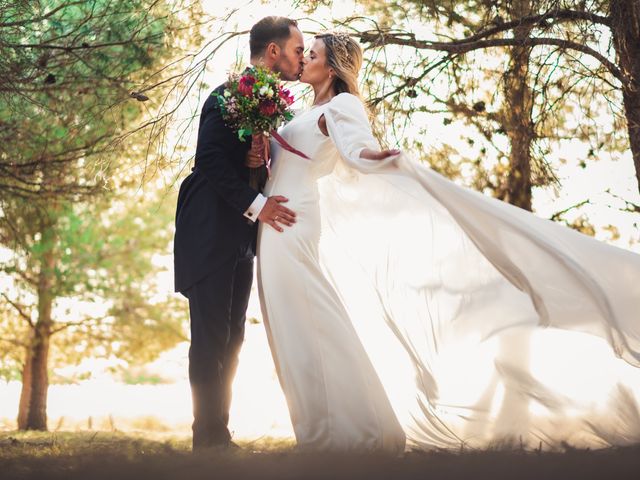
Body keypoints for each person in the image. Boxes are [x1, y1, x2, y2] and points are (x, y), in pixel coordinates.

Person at [257, 32, 640, 453]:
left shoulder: (341, 105)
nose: (303, 59)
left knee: (308, 322)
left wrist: (377, 157)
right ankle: (322, 427)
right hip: (274, 217)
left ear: (331, 68)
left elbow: (354, 150)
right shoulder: (300, 109)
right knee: (292, 322)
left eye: (311, 54)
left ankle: (344, 431)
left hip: (291, 221)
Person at [173, 16, 303, 450]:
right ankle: (205, 438)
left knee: (233, 338)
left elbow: (240, 164)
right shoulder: (225, 97)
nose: (300, 58)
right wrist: (259, 204)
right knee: (209, 338)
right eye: (297, 50)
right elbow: (208, 161)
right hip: (209, 232)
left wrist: (258, 164)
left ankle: (219, 432)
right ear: (273, 52)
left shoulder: (269, 105)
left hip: (242, 240)